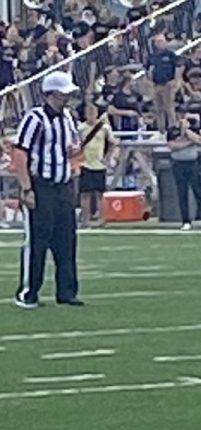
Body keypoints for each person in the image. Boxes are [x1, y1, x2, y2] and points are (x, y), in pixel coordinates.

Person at [12, 71, 83, 308]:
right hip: (41, 185)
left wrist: (73, 161)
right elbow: (20, 154)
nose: (67, 98)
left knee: (66, 240)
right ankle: (29, 292)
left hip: (62, 186)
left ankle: (67, 292)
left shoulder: (67, 119)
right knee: (38, 240)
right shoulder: (35, 119)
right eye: (63, 94)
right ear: (50, 93)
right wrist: (26, 188)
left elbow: (70, 151)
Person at [167, 119, 201, 230]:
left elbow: (200, 141)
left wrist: (187, 132)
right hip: (178, 165)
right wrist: (189, 143)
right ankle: (186, 221)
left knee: (198, 193)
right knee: (182, 193)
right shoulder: (172, 131)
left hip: (192, 164)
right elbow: (172, 146)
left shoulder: (194, 130)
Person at [76, 100, 114, 228]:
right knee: (85, 194)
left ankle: (102, 219)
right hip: (86, 164)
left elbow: (111, 143)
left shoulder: (104, 128)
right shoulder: (81, 128)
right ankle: (85, 220)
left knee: (100, 194)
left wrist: (107, 158)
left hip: (99, 164)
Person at [146, 33, 180, 134]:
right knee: (158, 109)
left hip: (167, 84)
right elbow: (147, 70)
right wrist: (149, 82)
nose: (160, 43)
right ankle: (161, 129)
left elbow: (178, 67)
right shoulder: (152, 57)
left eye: (162, 41)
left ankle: (173, 127)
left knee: (169, 107)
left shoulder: (171, 55)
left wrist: (175, 81)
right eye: (158, 42)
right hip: (156, 85)